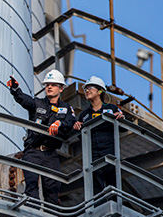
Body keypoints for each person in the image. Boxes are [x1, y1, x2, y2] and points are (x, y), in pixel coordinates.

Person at [7, 70, 76, 204]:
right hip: (33, 151)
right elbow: (23, 99)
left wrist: (59, 123)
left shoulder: (66, 108)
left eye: (53, 85)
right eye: (47, 85)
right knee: (31, 187)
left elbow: (71, 123)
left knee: (52, 190)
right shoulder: (37, 103)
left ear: (61, 88)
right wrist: (15, 89)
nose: (49, 87)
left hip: (51, 155)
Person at [73, 76, 124, 195]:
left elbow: (122, 128)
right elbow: (82, 138)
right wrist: (77, 127)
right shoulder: (84, 115)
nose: (87, 90)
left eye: (90, 87)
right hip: (93, 154)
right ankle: (98, 209)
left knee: (113, 183)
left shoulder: (111, 109)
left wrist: (121, 119)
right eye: (86, 88)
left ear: (100, 91)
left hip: (110, 151)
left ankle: (115, 206)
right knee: (96, 185)